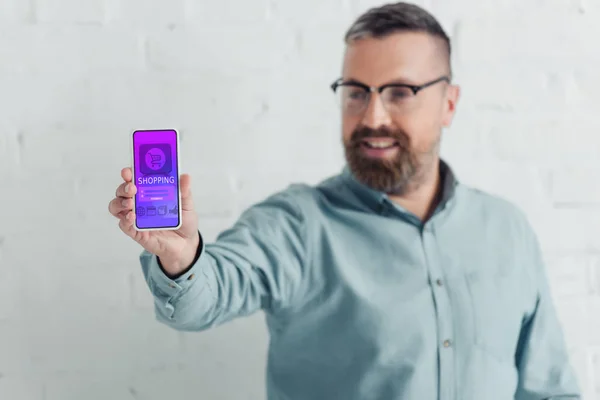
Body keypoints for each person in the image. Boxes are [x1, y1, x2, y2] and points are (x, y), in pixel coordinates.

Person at [108, 2, 581, 399]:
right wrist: (183, 259)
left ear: (449, 105)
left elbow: (549, 389)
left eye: (401, 92)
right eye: (356, 92)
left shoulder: (507, 230)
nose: (372, 115)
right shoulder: (297, 225)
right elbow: (208, 294)